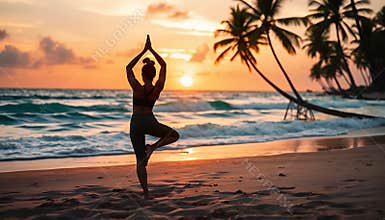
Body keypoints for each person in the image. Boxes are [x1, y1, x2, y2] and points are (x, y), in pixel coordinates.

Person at [126, 34, 179, 198]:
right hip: (150, 121)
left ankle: (146, 193)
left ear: (142, 75)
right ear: (154, 75)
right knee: (174, 135)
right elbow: (164, 64)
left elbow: (128, 68)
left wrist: (143, 51)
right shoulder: (157, 88)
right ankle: (153, 147)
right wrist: (152, 50)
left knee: (140, 161)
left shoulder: (136, 87)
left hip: (135, 123)